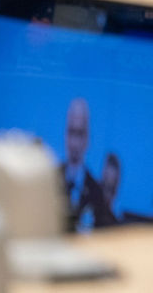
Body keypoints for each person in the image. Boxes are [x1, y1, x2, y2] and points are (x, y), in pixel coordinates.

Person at [61, 97, 105, 231]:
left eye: (80, 134)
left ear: (87, 139)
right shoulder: (49, 180)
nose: (74, 143)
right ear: (65, 135)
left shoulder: (96, 192)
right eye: (71, 132)